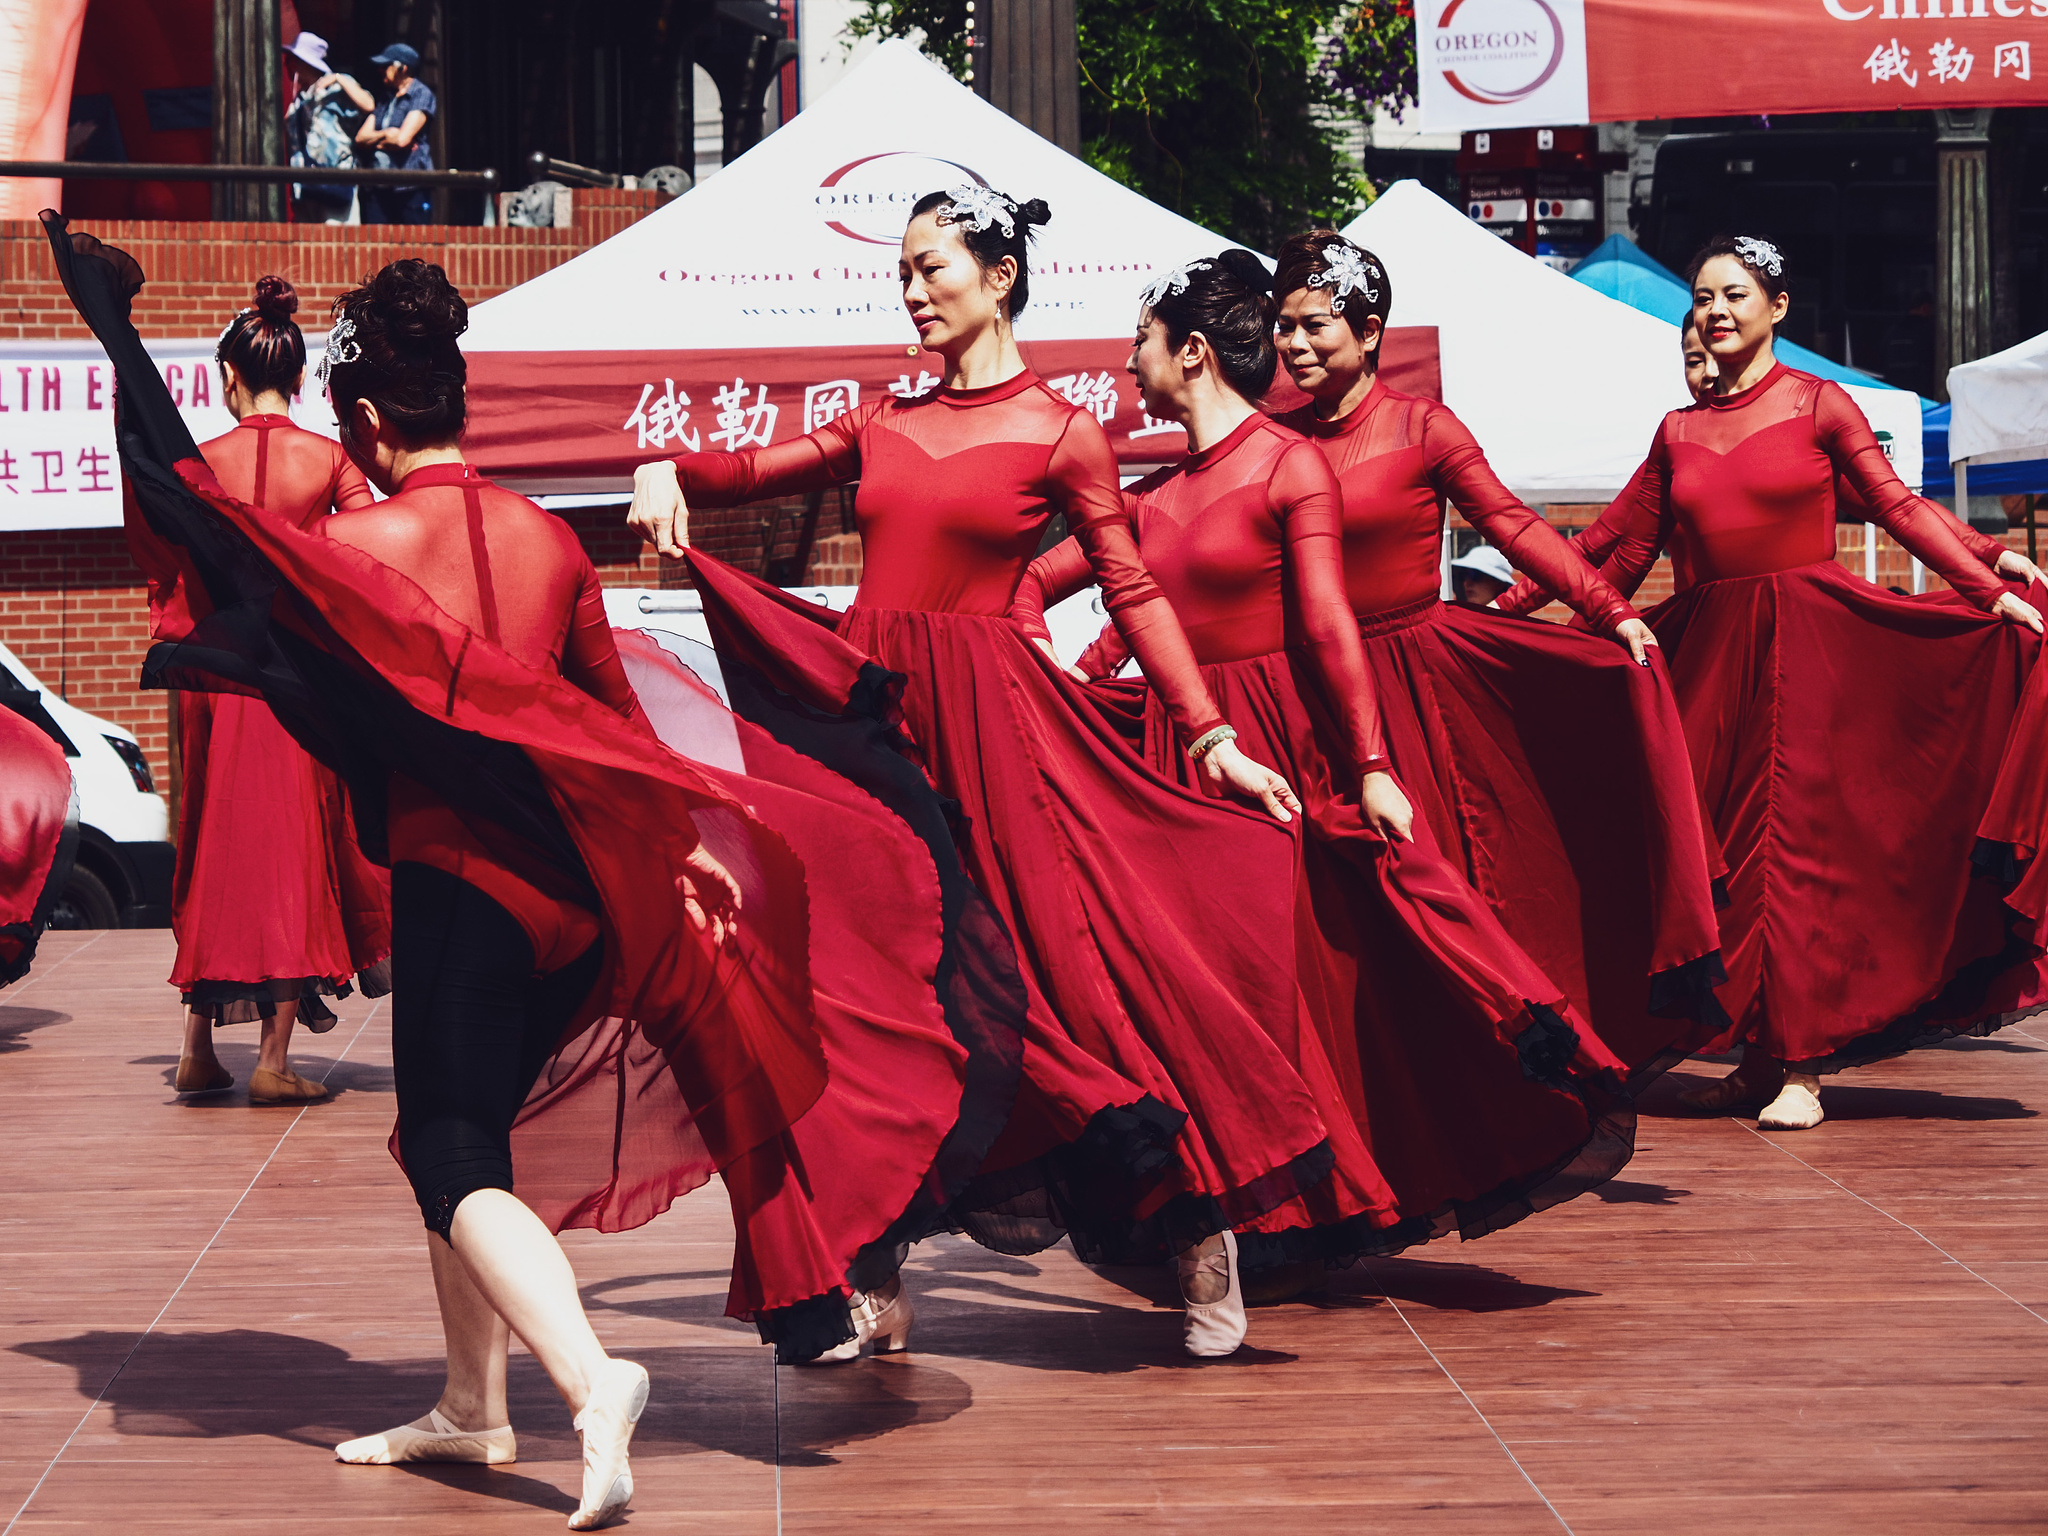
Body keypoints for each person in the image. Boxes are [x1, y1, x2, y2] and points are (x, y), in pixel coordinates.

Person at [45, 222, 996, 1526]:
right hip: (576, 909)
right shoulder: (548, 542)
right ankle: (470, 1406)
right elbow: (621, 730)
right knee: (452, 1133)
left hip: (463, 893)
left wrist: (113, 330)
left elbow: (197, 525)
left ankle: (592, 1381)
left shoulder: (365, 551)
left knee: (447, 1149)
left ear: (369, 414)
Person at [628, 187, 1342, 1358]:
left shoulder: (1065, 432)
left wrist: (1208, 732)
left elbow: (1133, 590)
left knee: (1063, 993)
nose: (910, 291)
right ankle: (874, 1268)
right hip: (871, 730)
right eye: (902, 273)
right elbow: (750, 470)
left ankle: (1193, 1225)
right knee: (874, 994)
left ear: (998, 276)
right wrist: (670, 469)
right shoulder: (881, 420)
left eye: (930, 268)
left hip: (999, 740)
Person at [1011, 252, 1639, 1276]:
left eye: (1138, 344)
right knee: (1205, 992)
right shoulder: (1151, 495)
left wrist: (1370, 762)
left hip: (1279, 744)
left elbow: (1326, 622)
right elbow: (1053, 594)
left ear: (1192, 352)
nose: (1126, 366)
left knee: (1326, 978)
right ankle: (1235, 1207)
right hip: (1182, 758)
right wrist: (1065, 688)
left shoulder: (1288, 464)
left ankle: (1338, 1189)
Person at [1508, 233, 2045, 1130]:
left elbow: (1898, 506)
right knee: (1720, 857)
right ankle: (1759, 1059)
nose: (1713, 311)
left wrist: (1988, 581)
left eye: (1733, 296)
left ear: (1776, 310)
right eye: (1702, 298)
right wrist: (1500, 610)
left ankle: (1801, 1063)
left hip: (1813, 658)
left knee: (1796, 855)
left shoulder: (1818, 405)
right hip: (1710, 662)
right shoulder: (1676, 432)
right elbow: (1607, 549)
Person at [1240, 231, 1725, 1084]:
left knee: (1448, 883)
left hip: (1418, 687)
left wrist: (1608, 609)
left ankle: (1501, 1074)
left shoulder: (1422, 427)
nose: (1294, 343)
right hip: (1305, 694)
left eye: (1315, 324)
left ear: (1370, 330)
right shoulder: (1269, 439)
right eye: (1284, 325)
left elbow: (1515, 527)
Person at [153, 277, 390, 1105]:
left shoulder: (198, 467)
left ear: (227, 376)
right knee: (292, 852)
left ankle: (194, 1048)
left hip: (216, 681)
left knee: (213, 847)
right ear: (298, 379)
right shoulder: (328, 461)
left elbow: (173, 569)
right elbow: (364, 563)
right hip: (296, 676)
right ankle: (273, 1058)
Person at [283, 32, 373, 224]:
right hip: (304, 187)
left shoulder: (336, 89)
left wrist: (339, 79)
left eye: (290, 59)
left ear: (303, 61)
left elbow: (368, 105)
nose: (285, 65)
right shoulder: (298, 101)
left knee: (339, 242)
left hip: (335, 183)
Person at [355, 43, 434, 225]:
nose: (380, 70)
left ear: (402, 68)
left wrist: (377, 138)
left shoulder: (421, 94)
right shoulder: (385, 98)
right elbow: (361, 138)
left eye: (386, 66)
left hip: (410, 186)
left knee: (415, 244)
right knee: (378, 245)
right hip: (378, 185)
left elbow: (401, 139)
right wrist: (387, 134)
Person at [1449, 543, 1514, 607]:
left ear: (1498, 583)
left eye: (1475, 575)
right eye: (1463, 575)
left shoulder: (1513, 617)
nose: (1467, 583)